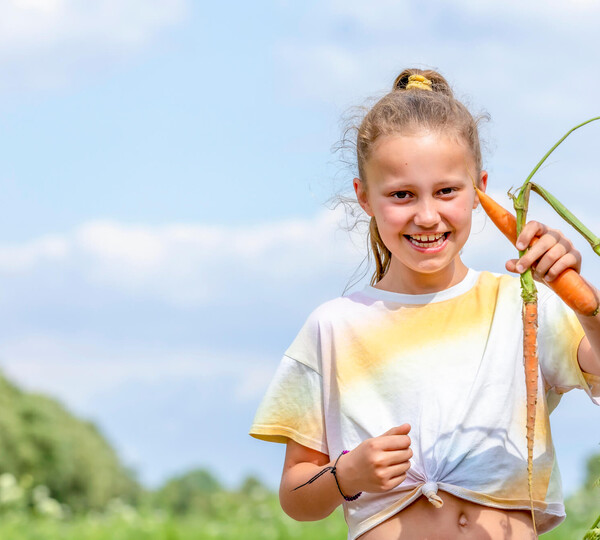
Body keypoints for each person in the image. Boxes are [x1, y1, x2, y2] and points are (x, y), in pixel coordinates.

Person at [249, 68, 600, 539]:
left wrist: (582, 301)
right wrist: (347, 475)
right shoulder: (334, 327)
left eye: (447, 191)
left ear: (480, 189)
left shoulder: (520, 304)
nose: (427, 215)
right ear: (364, 198)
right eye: (401, 195)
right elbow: (296, 496)